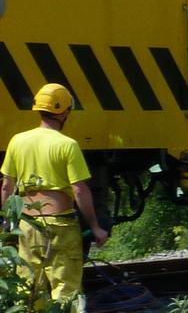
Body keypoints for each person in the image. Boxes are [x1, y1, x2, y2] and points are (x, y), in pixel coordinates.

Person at [0, 83, 109, 310]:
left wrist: (8, 224)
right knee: (66, 289)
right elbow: (79, 189)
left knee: (29, 288)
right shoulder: (67, 145)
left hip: (27, 224)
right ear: (64, 112)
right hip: (60, 223)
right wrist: (95, 227)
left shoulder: (17, 141)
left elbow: (6, 187)